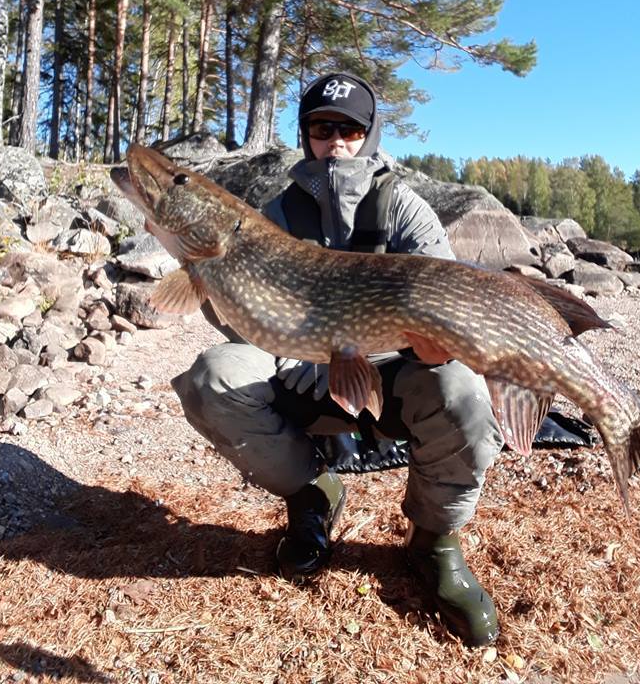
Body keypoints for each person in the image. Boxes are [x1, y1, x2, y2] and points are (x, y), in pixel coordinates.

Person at [173, 72, 503, 647]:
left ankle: (434, 540)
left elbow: (446, 311)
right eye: (323, 128)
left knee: (463, 392)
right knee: (213, 377)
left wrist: (427, 346)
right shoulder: (275, 215)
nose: (336, 142)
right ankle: (313, 492)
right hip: (299, 372)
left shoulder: (406, 211)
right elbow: (240, 325)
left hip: (393, 373)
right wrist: (206, 274)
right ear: (306, 135)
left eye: (350, 130)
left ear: (369, 135)